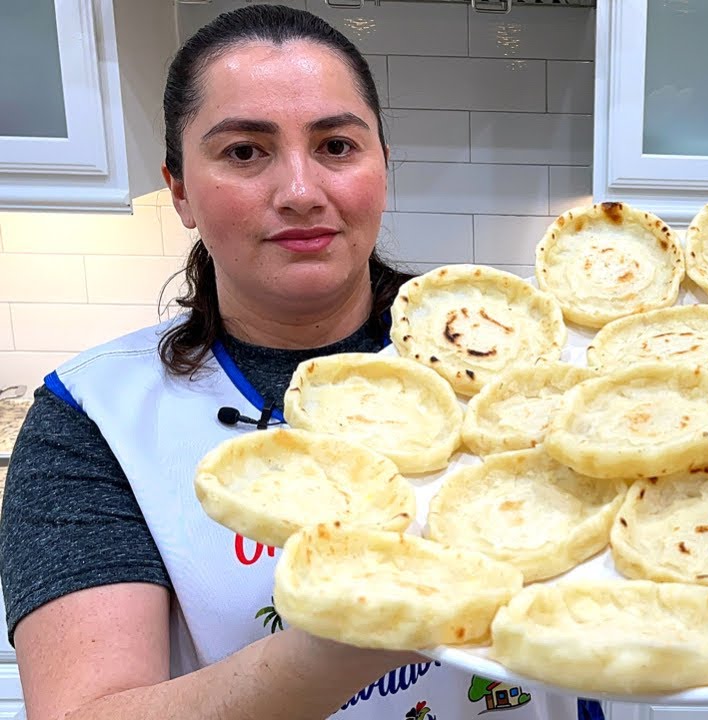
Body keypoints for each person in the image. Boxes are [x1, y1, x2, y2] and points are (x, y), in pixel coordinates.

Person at [0, 6, 602, 719]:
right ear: (181, 190)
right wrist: (352, 635)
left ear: (383, 164)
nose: (301, 192)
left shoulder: (528, 366)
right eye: (245, 152)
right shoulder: (97, 418)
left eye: (337, 146)